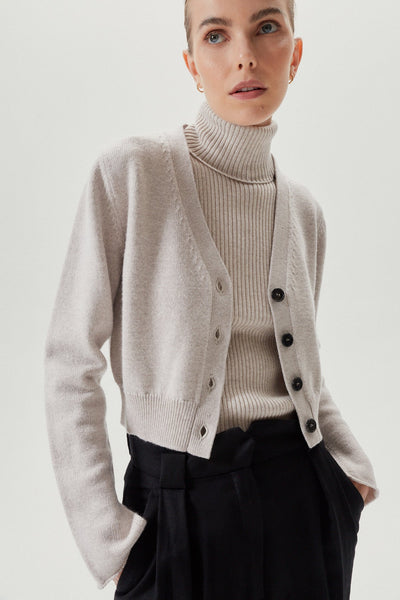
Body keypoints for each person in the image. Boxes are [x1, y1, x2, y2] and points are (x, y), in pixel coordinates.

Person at [44, 0, 379, 598]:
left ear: (295, 54)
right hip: (174, 514)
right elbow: (70, 362)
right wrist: (108, 541)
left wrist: (349, 475)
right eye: (217, 35)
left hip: (303, 506)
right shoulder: (131, 176)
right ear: (191, 63)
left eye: (267, 28)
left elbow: (305, 376)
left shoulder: (305, 214)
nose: (245, 56)